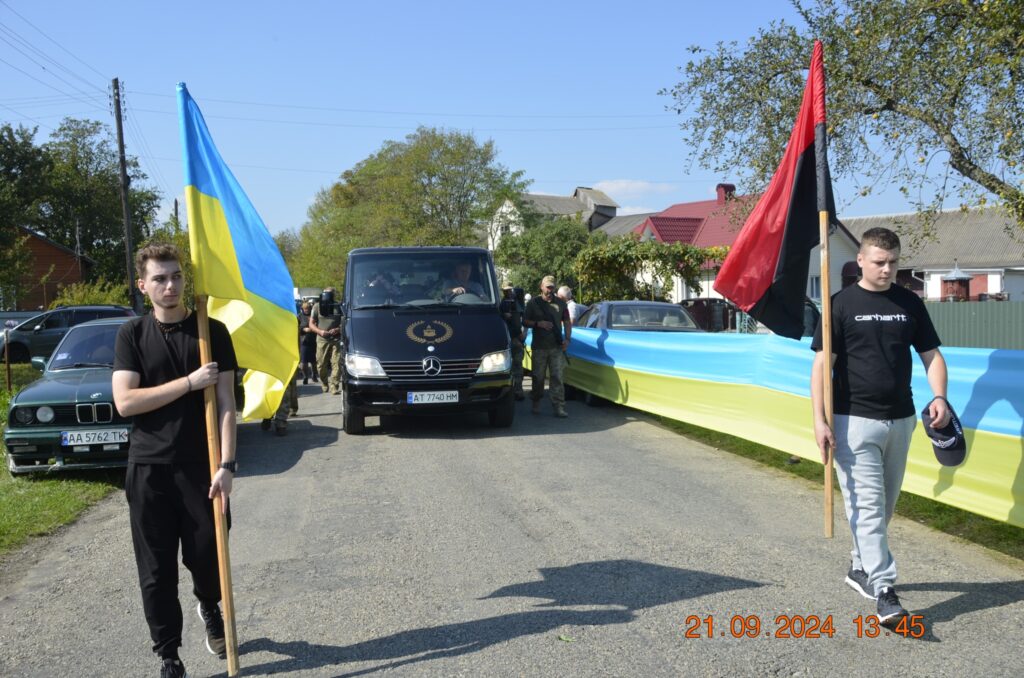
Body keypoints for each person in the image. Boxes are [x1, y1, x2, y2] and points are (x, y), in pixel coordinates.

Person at [810, 227, 948, 627]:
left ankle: (859, 567)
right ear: (861, 263)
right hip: (853, 422)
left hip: (901, 420)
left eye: (893, 262)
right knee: (868, 507)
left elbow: (932, 356)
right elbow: (822, 367)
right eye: (879, 262)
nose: (887, 269)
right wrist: (818, 420)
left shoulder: (909, 303)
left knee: (883, 509)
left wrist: (939, 397)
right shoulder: (838, 305)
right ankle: (885, 591)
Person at [112, 243, 238, 678]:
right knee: (156, 567)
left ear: (186, 279)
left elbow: (225, 403)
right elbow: (126, 402)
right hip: (148, 469)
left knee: (208, 555)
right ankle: (168, 653)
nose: (170, 285)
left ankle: (209, 604)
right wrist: (188, 382)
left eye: (177, 276)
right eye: (160, 278)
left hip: (201, 467)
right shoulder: (131, 336)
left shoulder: (211, 331)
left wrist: (227, 465)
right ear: (143, 285)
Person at [524, 275, 572, 417]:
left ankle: (559, 406)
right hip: (539, 347)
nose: (550, 290)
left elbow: (567, 322)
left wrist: (568, 339)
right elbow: (525, 321)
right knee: (538, 377)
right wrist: (538, 324)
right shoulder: (533, 303)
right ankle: (536, 402)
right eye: (547, 287)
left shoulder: (561, 304)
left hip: (556, 347)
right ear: (541, 287)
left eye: (552, 287)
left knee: (557, 376)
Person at [309, 287, 343, 394]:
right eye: (326, 293)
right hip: (322, 339)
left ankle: (334, 386)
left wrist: (338, 329)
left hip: (336, 339)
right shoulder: (316, 306)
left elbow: (345, 322)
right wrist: (320, 331)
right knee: (321, 364)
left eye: (330, 294)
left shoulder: (338, 306)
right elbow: (311, 324)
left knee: (336, 363)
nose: (328, 296)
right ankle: (324, 383)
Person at [501, 283, 526, 400]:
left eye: (510, 290)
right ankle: (508, 391)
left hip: (515, 338)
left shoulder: (517, 303)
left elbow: (521, 320)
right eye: (506, 290)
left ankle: (518, 390)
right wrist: (503, 314)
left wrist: (522, 334)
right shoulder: (502, 304)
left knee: (517, 364)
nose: (508, 292)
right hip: (506, 338)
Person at [298, 300, 318, 384]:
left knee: (314, 361)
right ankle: (305, 376)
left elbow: (318, 325)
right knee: (303, 362)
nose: (306, 310)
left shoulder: (313, 316)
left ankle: (314, 374)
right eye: (305, 309)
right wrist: (303, 329)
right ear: (302, 309)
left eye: (308, 308)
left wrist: (314, 328)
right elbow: (297, 327)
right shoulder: (299, 317)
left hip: (313, 340)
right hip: (304, 341)